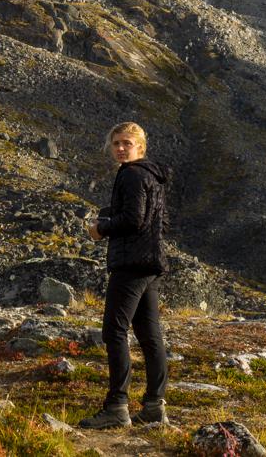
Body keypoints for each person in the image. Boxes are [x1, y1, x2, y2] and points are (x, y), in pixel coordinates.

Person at [77, 121, 171, 429]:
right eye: (116, 142)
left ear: (140, 147)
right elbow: (153, 221)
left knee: (114, 331)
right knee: (149, 334)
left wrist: (101, 228)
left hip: (131, 264)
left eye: (126, 143)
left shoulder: (131, 174)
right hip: (150, 262)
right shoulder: (151, 175)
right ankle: (155, 406)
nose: (120, 148)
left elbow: (133, 220)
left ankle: (117, 406)